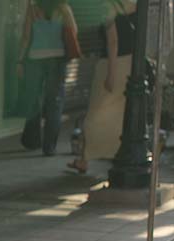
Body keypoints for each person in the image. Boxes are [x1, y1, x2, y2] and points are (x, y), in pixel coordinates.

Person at [68, 0, 137, 174]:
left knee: (94, 114)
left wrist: (111, 74)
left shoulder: (107, 9)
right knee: (119, 114)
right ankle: (110, 154)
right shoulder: (132, 5)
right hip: (129, 63)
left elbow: (113, 41)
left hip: (112, 64)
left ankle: (85, 158)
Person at [17, 0, 79, 156]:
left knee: (34, 100)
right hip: (57, 59)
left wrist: (20, 60)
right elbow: (74, 31)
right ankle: (49, 146)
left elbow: (26, 36)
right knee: (55, 102)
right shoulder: (64, 9)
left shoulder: (33, 9)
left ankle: (33, 140)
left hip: (35, 59)